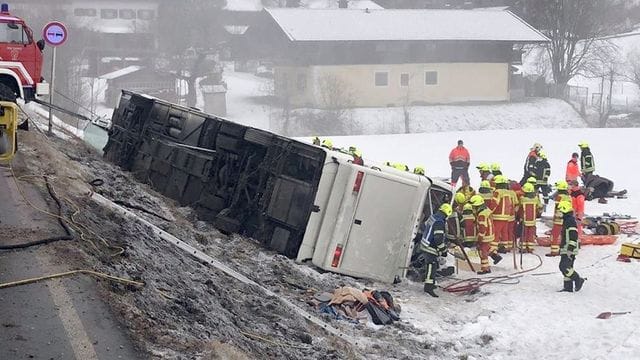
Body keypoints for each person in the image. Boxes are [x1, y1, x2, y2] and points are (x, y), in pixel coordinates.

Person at [420, 203, 452, 297]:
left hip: (425, 243)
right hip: (430, 247)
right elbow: (438, 238)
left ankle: (431, 283)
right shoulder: (439, 222)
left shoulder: (433, 217)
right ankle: (428, 287)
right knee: (432, 266)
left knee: (433, 265)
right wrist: (443, 250)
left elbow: (424, 226)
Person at [556, 200, 586, 292]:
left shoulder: (570, 221)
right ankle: (568, 287)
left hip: (569, 249)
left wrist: (570, 249)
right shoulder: (567, 220)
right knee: (569, 267)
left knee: (563, 266)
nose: (558, 213)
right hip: (566, 248)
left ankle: (578, 279)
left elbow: (573, 236)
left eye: (560, 211)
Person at [470, 194, 502, 274]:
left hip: (485, 235)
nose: (473, 208)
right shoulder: (486, 210)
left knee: (482, 252)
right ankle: (496, 256)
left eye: (474, 206)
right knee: (487, 247)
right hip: (490, 233)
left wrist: (479, 239)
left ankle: (485, 269)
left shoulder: (481, 215)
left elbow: (482, 228)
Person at [492, 175, 518, 253]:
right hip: (507, 216)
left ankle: (493, 249)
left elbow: (494, 203)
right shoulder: (509, 192)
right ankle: (505, 247)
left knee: (496, 233)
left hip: (498, 216)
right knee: (504, 232)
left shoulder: (497, 192)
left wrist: (489, 211)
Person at [548, 180, 572, 257]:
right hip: (566, 219)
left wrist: (555, 218)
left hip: (559, 220)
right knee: (564, 235)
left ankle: (554, 251)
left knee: (554, 235)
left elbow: (558, 208)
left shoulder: (559, 197)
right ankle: (562, 249)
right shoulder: (568, 197)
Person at [518, 183, 540, 253]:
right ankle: (530, 248)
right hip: (533, 220)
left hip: (524, 219)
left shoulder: (522, 199)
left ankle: (523, 248)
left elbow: (519, 208)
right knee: (530, 234)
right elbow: (539, 206)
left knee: (524, 234)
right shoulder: (536, 199)